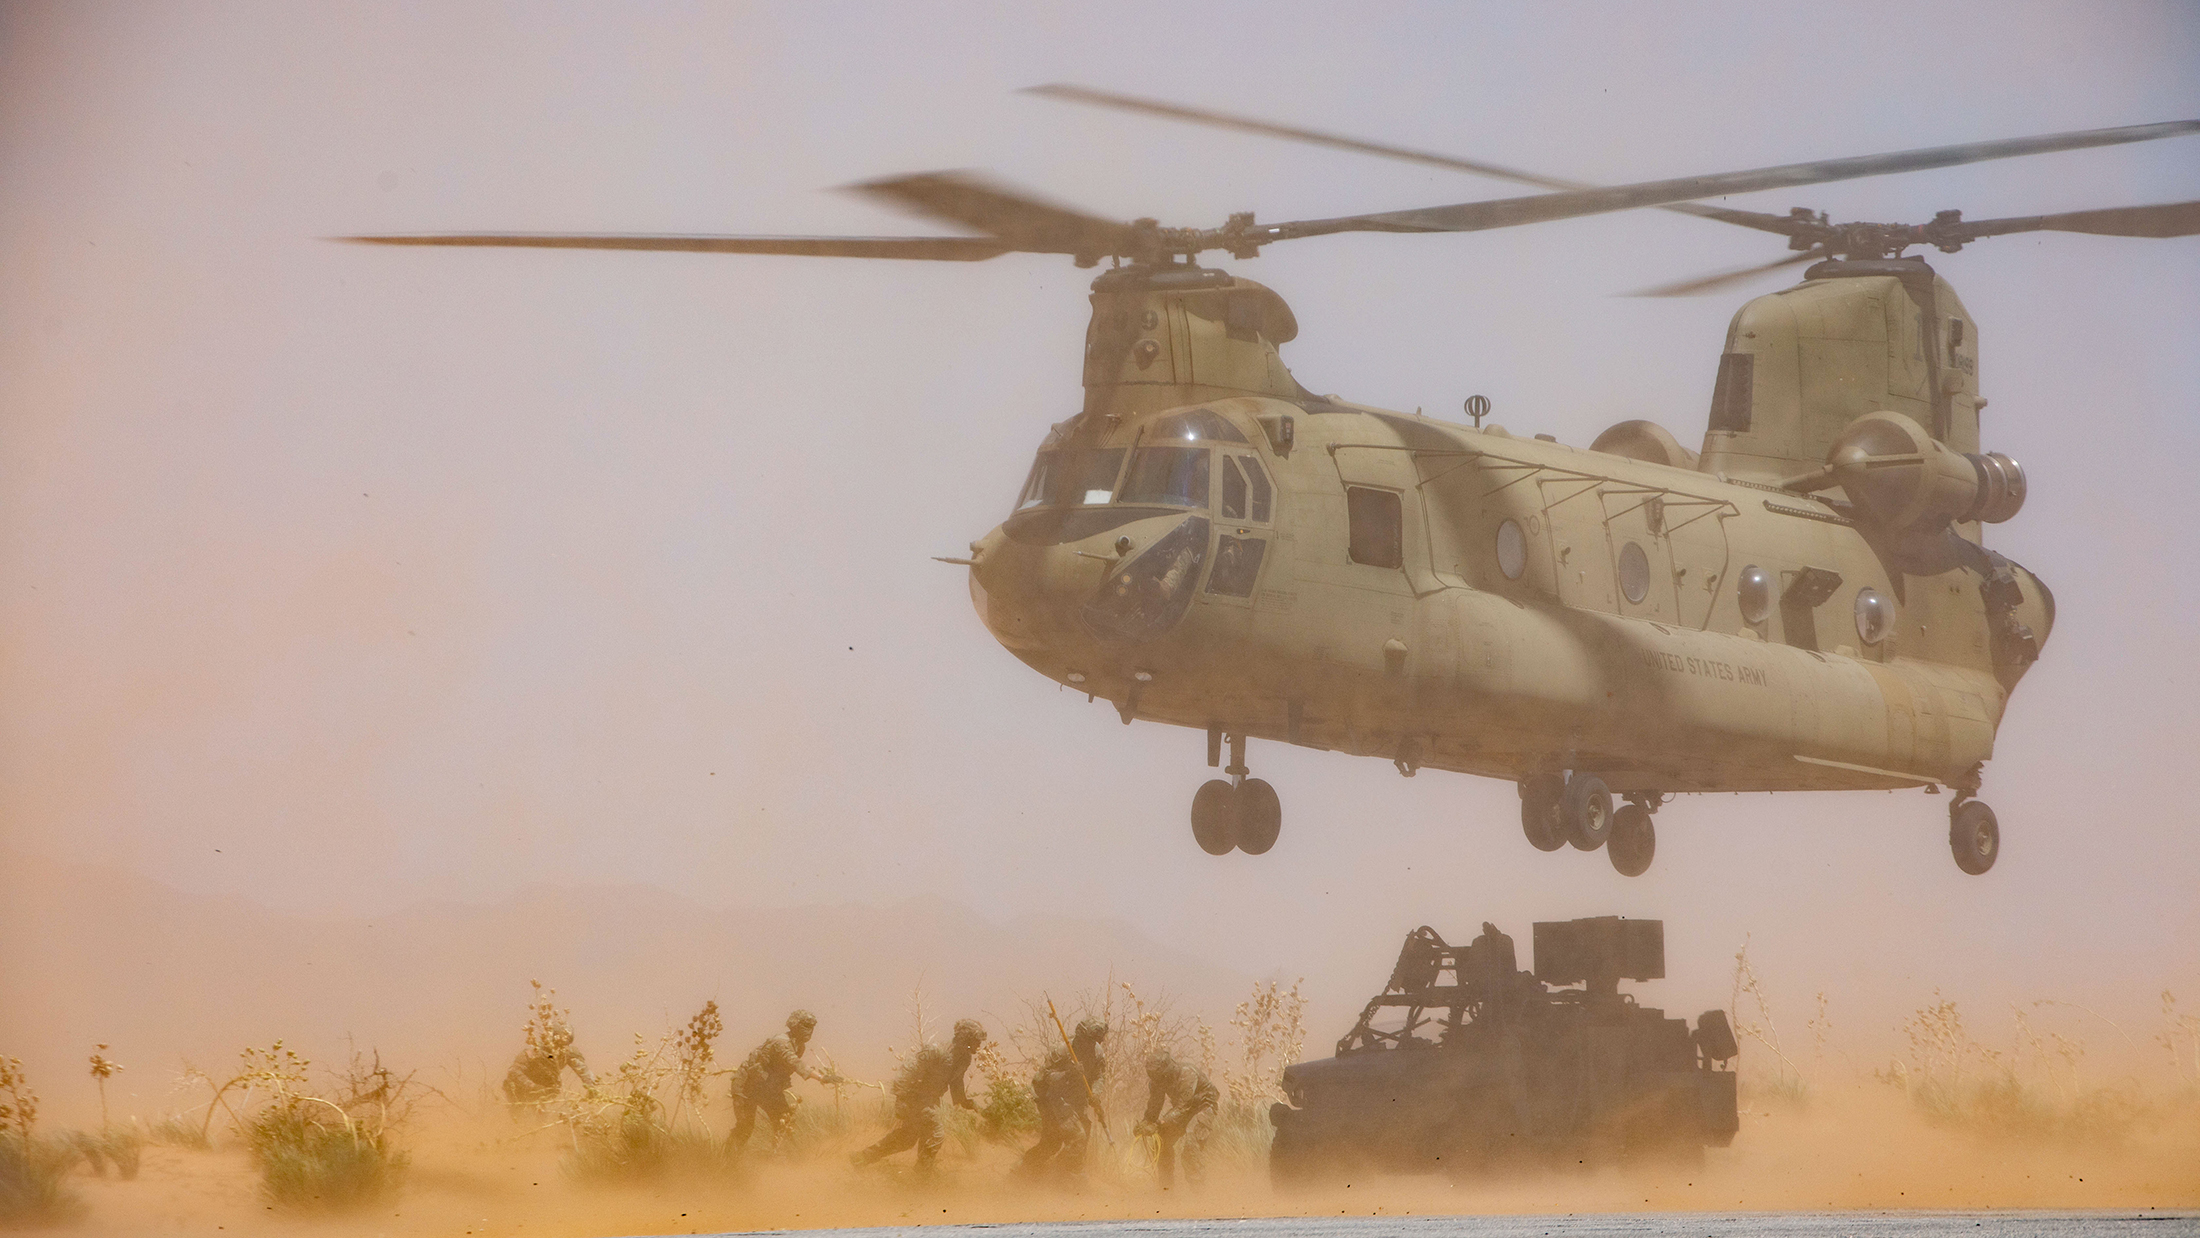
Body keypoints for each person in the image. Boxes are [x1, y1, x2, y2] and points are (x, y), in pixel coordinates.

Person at [853, 1018, 987, 1170]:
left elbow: (956, 1081)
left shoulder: (965, 1059)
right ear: (966, 1039)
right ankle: (921, 1176)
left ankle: (861, 1158)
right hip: (913, 1097)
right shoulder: (936, 1050)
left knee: (906, 1139)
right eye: (976, 1041)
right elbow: (909, 1070)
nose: (979, 1045)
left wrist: (962, 1101)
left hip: (931, 1101)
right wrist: (901, 1098)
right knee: (935, 1133)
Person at [728, 1009, 833, 1155]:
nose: (809, 1031)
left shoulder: (799, 1046)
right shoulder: (781, 1042)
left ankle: (780, 1160)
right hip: (747, 1087)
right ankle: (726, 1163)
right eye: (806, 1026)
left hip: (767, 1089)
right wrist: (822, 1078)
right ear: (795, 1026)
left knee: (784, 1124)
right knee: (745, 1128)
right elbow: (794, 1063)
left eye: (812, 1028)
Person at [1020, 1016, 1106, 1176]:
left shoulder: (1097, 1052)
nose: (1091, 1045)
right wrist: (1068, 1074)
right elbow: (1043, 1078)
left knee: (1066, 1140)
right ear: (1080, 1037)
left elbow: (1099, 1076)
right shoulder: (1062, 1050)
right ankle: (1051, 1174)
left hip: (1077, 1100)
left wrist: (1095, 1094)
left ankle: (1060, 1173)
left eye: (1094, 1041)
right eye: (1088, 1040)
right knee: (1071, 1138)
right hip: (1052, 1100)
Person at [1135, 1048, 1218, 1188]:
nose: (1155, 1077)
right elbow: (1155, 1104)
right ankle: (1166, 1190)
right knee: (1161, 1142)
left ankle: (1199, 1193)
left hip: (1203, 1107)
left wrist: (1160, 1123)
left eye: (1157, 1073)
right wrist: (1146, 1122)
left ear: (1167, 1068)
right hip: (1183, 1110)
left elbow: (1183, 1106)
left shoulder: (1187, 1073)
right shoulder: (1157, 1080)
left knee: (1191, 1145)